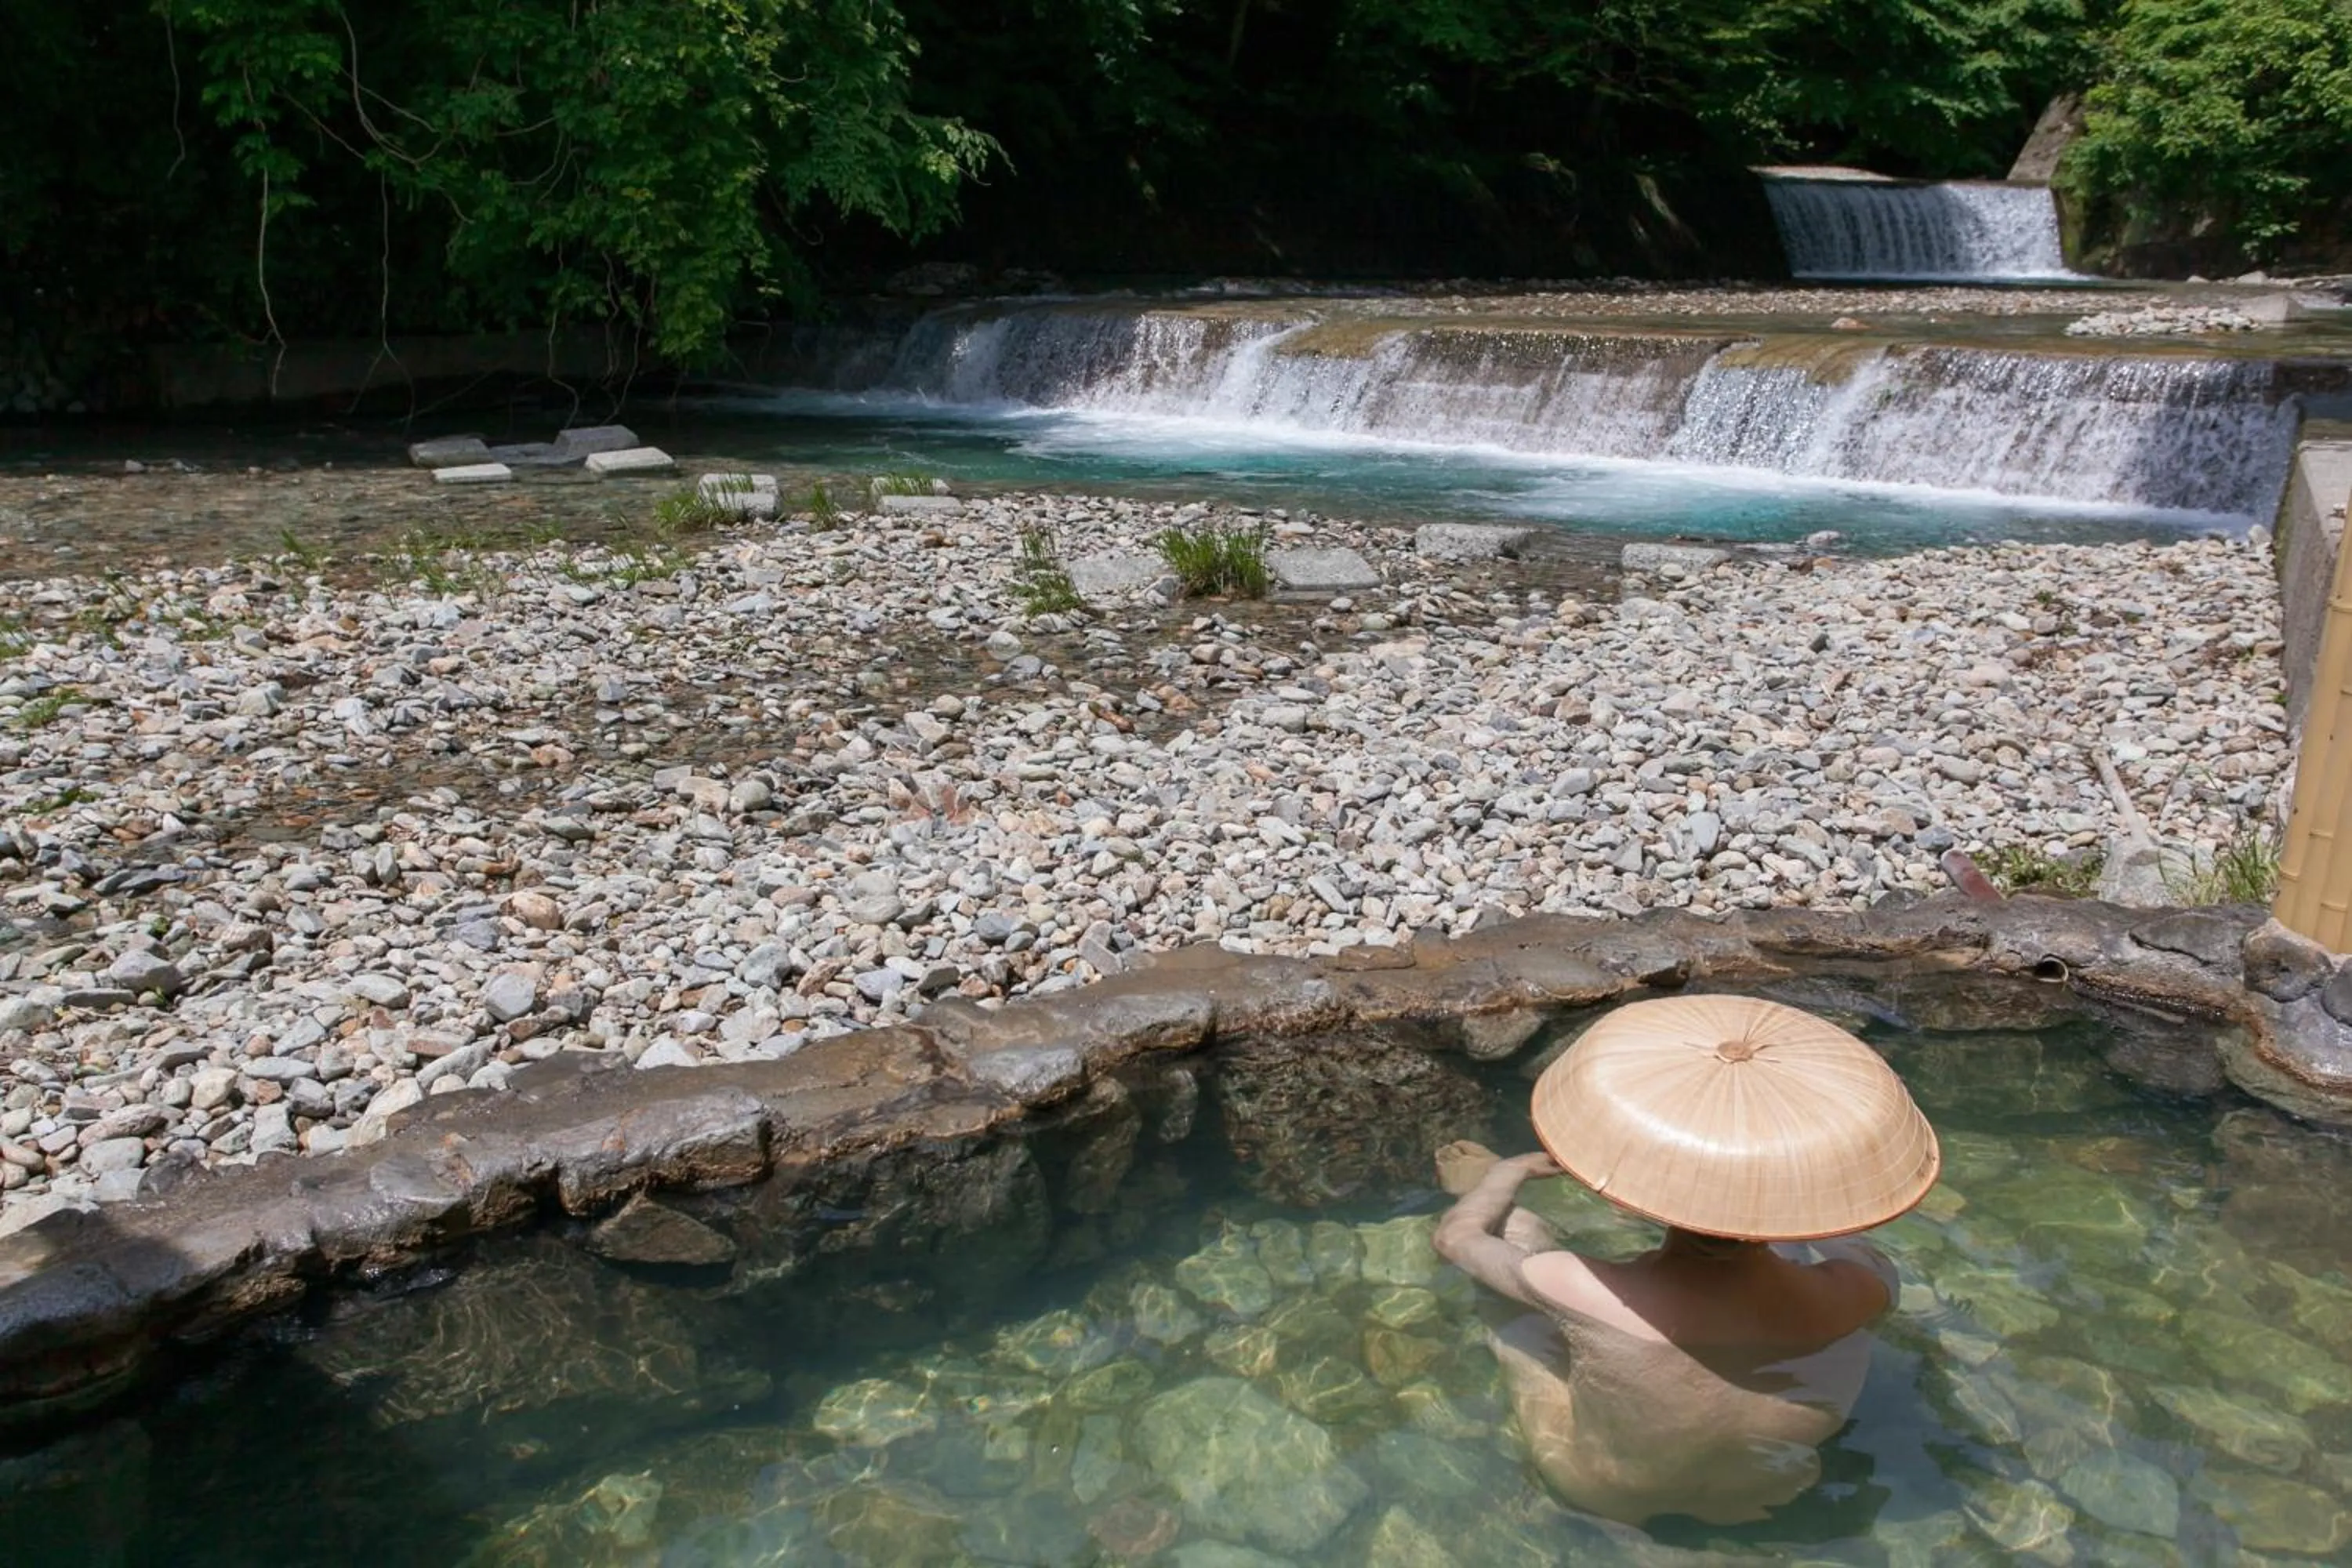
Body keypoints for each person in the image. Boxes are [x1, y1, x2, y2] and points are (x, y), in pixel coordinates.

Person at [1431, 994, 1940, 1528]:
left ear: (1638, 1201)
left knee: (1520, 1242)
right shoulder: (1869, 1285)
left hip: (1603, 1491)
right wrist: (1797, 1184)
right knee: (1788, 1254)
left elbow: (1455, 1239)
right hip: (1765, 1497)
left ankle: (1482, 1188)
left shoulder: (1575, 1287)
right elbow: (1833, 1232)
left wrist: (1506, 1173)